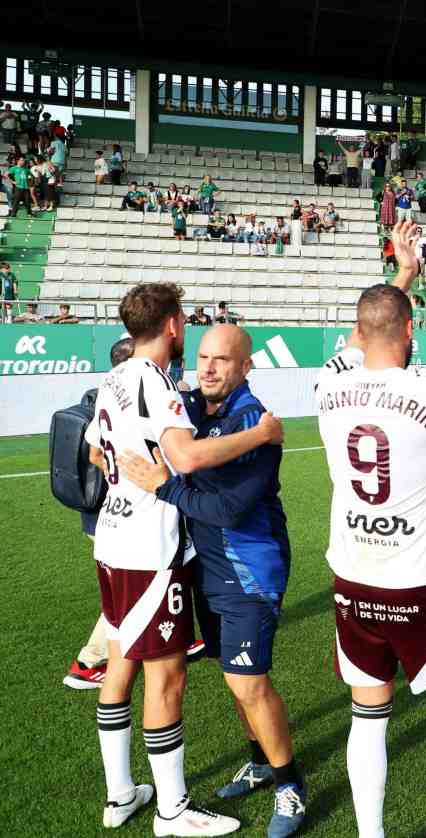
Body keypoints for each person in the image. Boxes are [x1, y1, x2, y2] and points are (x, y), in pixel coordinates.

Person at [314, 221, 426, 838]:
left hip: (353, 577)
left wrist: (402, 273)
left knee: (369, 712)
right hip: (422, 580)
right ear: (413, 331)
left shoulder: (328, 382)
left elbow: (375, 323)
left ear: (358, 334)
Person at [84, 282, 284, 835]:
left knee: (121, 663)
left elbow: (92, 444)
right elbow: (189, 456)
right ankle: (172, 810)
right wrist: (260, 436)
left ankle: (122, 792)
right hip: (149, 551)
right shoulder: (152, 380)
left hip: (111, 540)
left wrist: (115, 463)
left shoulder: (113, 376)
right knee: (166, 677)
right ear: (174, 325)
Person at [64, 338, 137, 691]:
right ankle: (89, 661)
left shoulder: (96, 394)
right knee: (125, 588)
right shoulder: (119, 399)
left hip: (95, 511)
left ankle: (175, 633)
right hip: (114, 512)